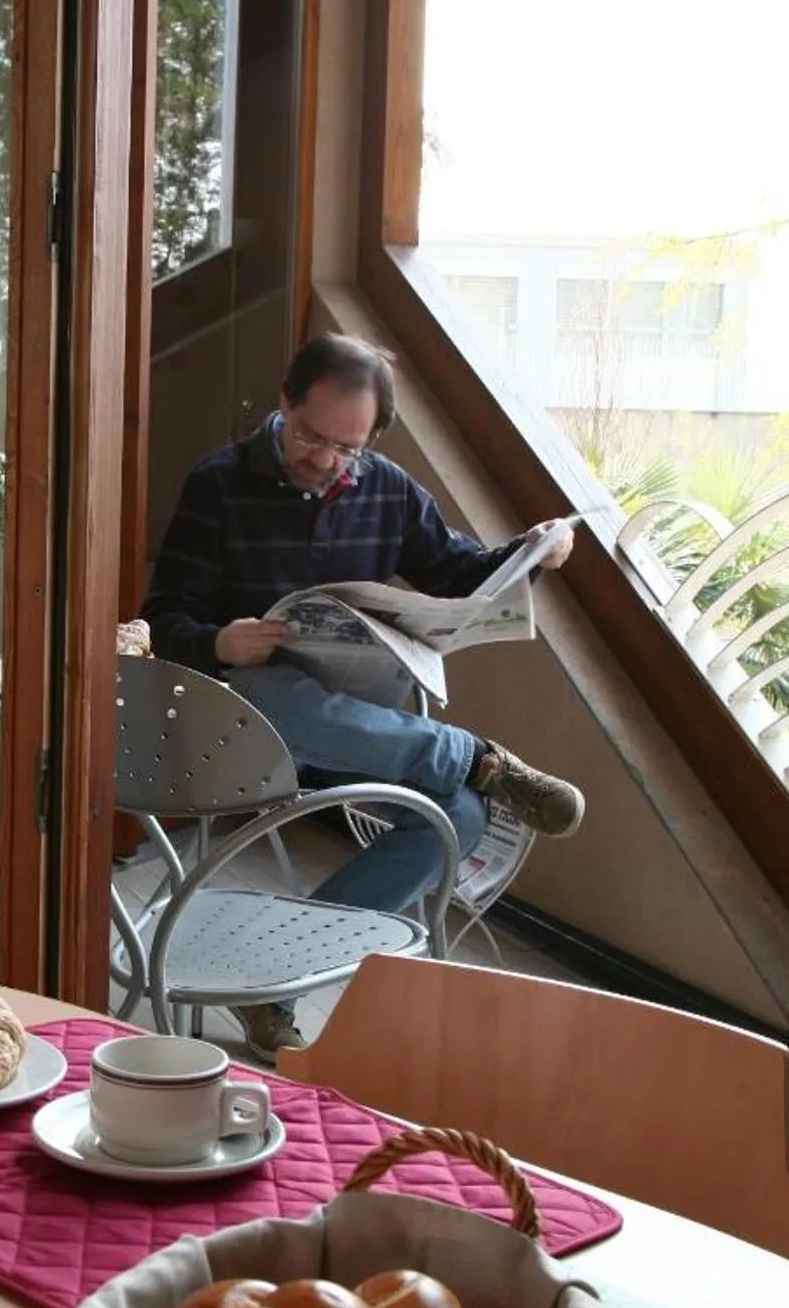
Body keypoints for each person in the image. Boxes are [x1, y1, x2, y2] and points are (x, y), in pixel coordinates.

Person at [139, 333, 585, 1056]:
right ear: (285, 402)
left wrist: (532, 551)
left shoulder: (387, 489)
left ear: (370, 439)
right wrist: (220, 640)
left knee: (457, 818)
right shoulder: (217, 484)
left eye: (344, 447)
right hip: (246, 730)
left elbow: (459, 575)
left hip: (357, 731)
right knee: (271, 689)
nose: (322, 457)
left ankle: (271, 980)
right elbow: (161, 619)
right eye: (310, 434)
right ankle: (472, 754)